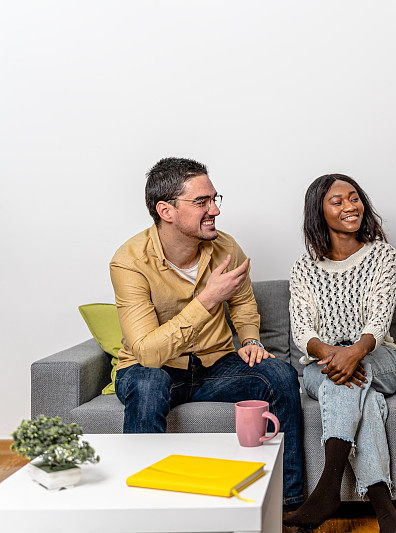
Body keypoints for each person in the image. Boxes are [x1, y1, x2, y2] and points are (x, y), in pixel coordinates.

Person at [110, 157, 304, 509]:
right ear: (166, 210)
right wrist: (208, 299)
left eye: (215, 199)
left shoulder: (226, 247)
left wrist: (250, 339)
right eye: (201, 202)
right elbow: (148, 353)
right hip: (153, 370)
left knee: (280, 373)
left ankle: (287, 503)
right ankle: (144, 506)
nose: (214, 209)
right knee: (147, 383)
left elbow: (244, 302)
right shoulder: (129, 262)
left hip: (215, 367)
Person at [284, 174, 396, 532]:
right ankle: (385, 510)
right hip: (321, 363)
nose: (350, 206)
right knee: (356, 393)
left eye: (354, 198)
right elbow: (302, 332)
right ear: (318, 212)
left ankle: (327, 487)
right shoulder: (303, 268)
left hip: (379, 359)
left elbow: (379, 321)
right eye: (337, 201)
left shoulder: (384, 255)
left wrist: (353, 353)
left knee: (347, 377)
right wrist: (335, 354)